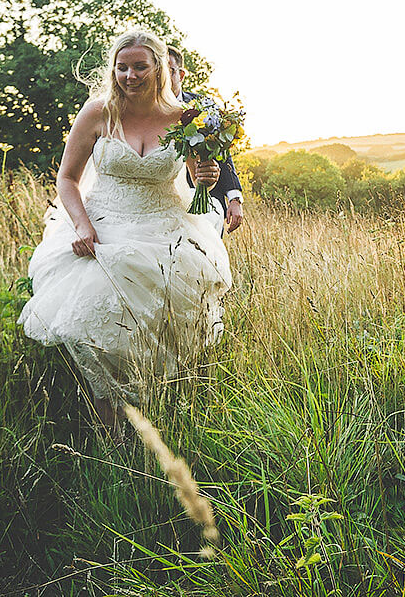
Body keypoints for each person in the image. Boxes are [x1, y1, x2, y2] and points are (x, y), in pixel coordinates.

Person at [17, 28, 233, 434]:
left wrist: (208, 176)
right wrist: (82, 225)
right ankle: (112, 435)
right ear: (112, 68)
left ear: (159, 69)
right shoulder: (97, 113)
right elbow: (67, 178)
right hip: (103, 229)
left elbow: (196, 178)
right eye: (122, 67)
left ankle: (162, 423)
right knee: (97, 329)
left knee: (162, 330)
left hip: (166, 229)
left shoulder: (184, 118)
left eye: (140, 66)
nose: (130, 75)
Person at [168, 47, 245, 234]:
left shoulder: (204, 106)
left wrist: (234, 198)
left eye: (168, 70)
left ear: (181, 74)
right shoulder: (144, 112)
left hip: (206, 197)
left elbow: (222, 153)